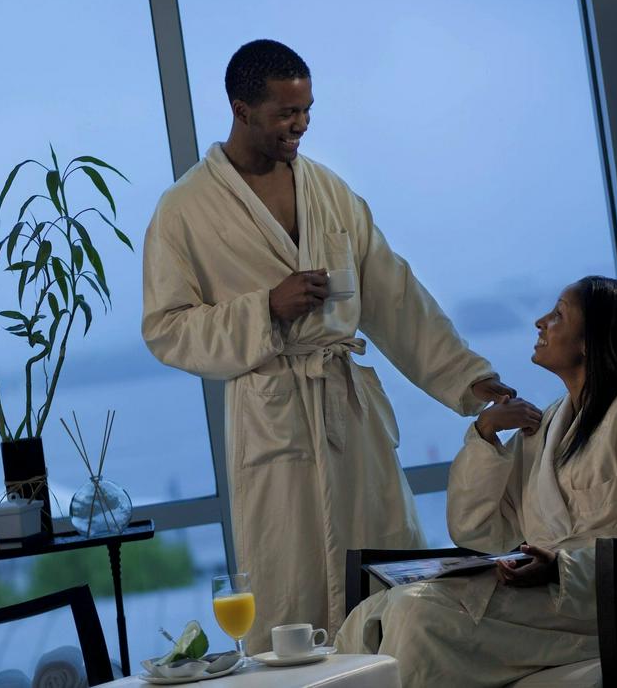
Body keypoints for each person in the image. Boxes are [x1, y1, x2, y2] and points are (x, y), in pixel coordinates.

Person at [141, 39, 512, 651]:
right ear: (240, 109)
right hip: (274, 420)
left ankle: (407, 671)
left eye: (307, 109)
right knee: (291, 583)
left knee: (390, 566)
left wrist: (467, 378)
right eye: (286, 112)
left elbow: (395, 296)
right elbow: (166, 328)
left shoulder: (329, 191)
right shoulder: (184, 209)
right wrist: (265, 309)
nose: (301, 124)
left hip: (350, 415)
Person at [335, 276, 617, 687]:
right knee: (371, 612)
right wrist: (485, 433)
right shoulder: (548, 425)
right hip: (544, 599)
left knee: (416, 615)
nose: (540, 322)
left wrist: (561, 569)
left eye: (558, 315)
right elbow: (480, 531)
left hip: (604, 605)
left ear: (589, 341)